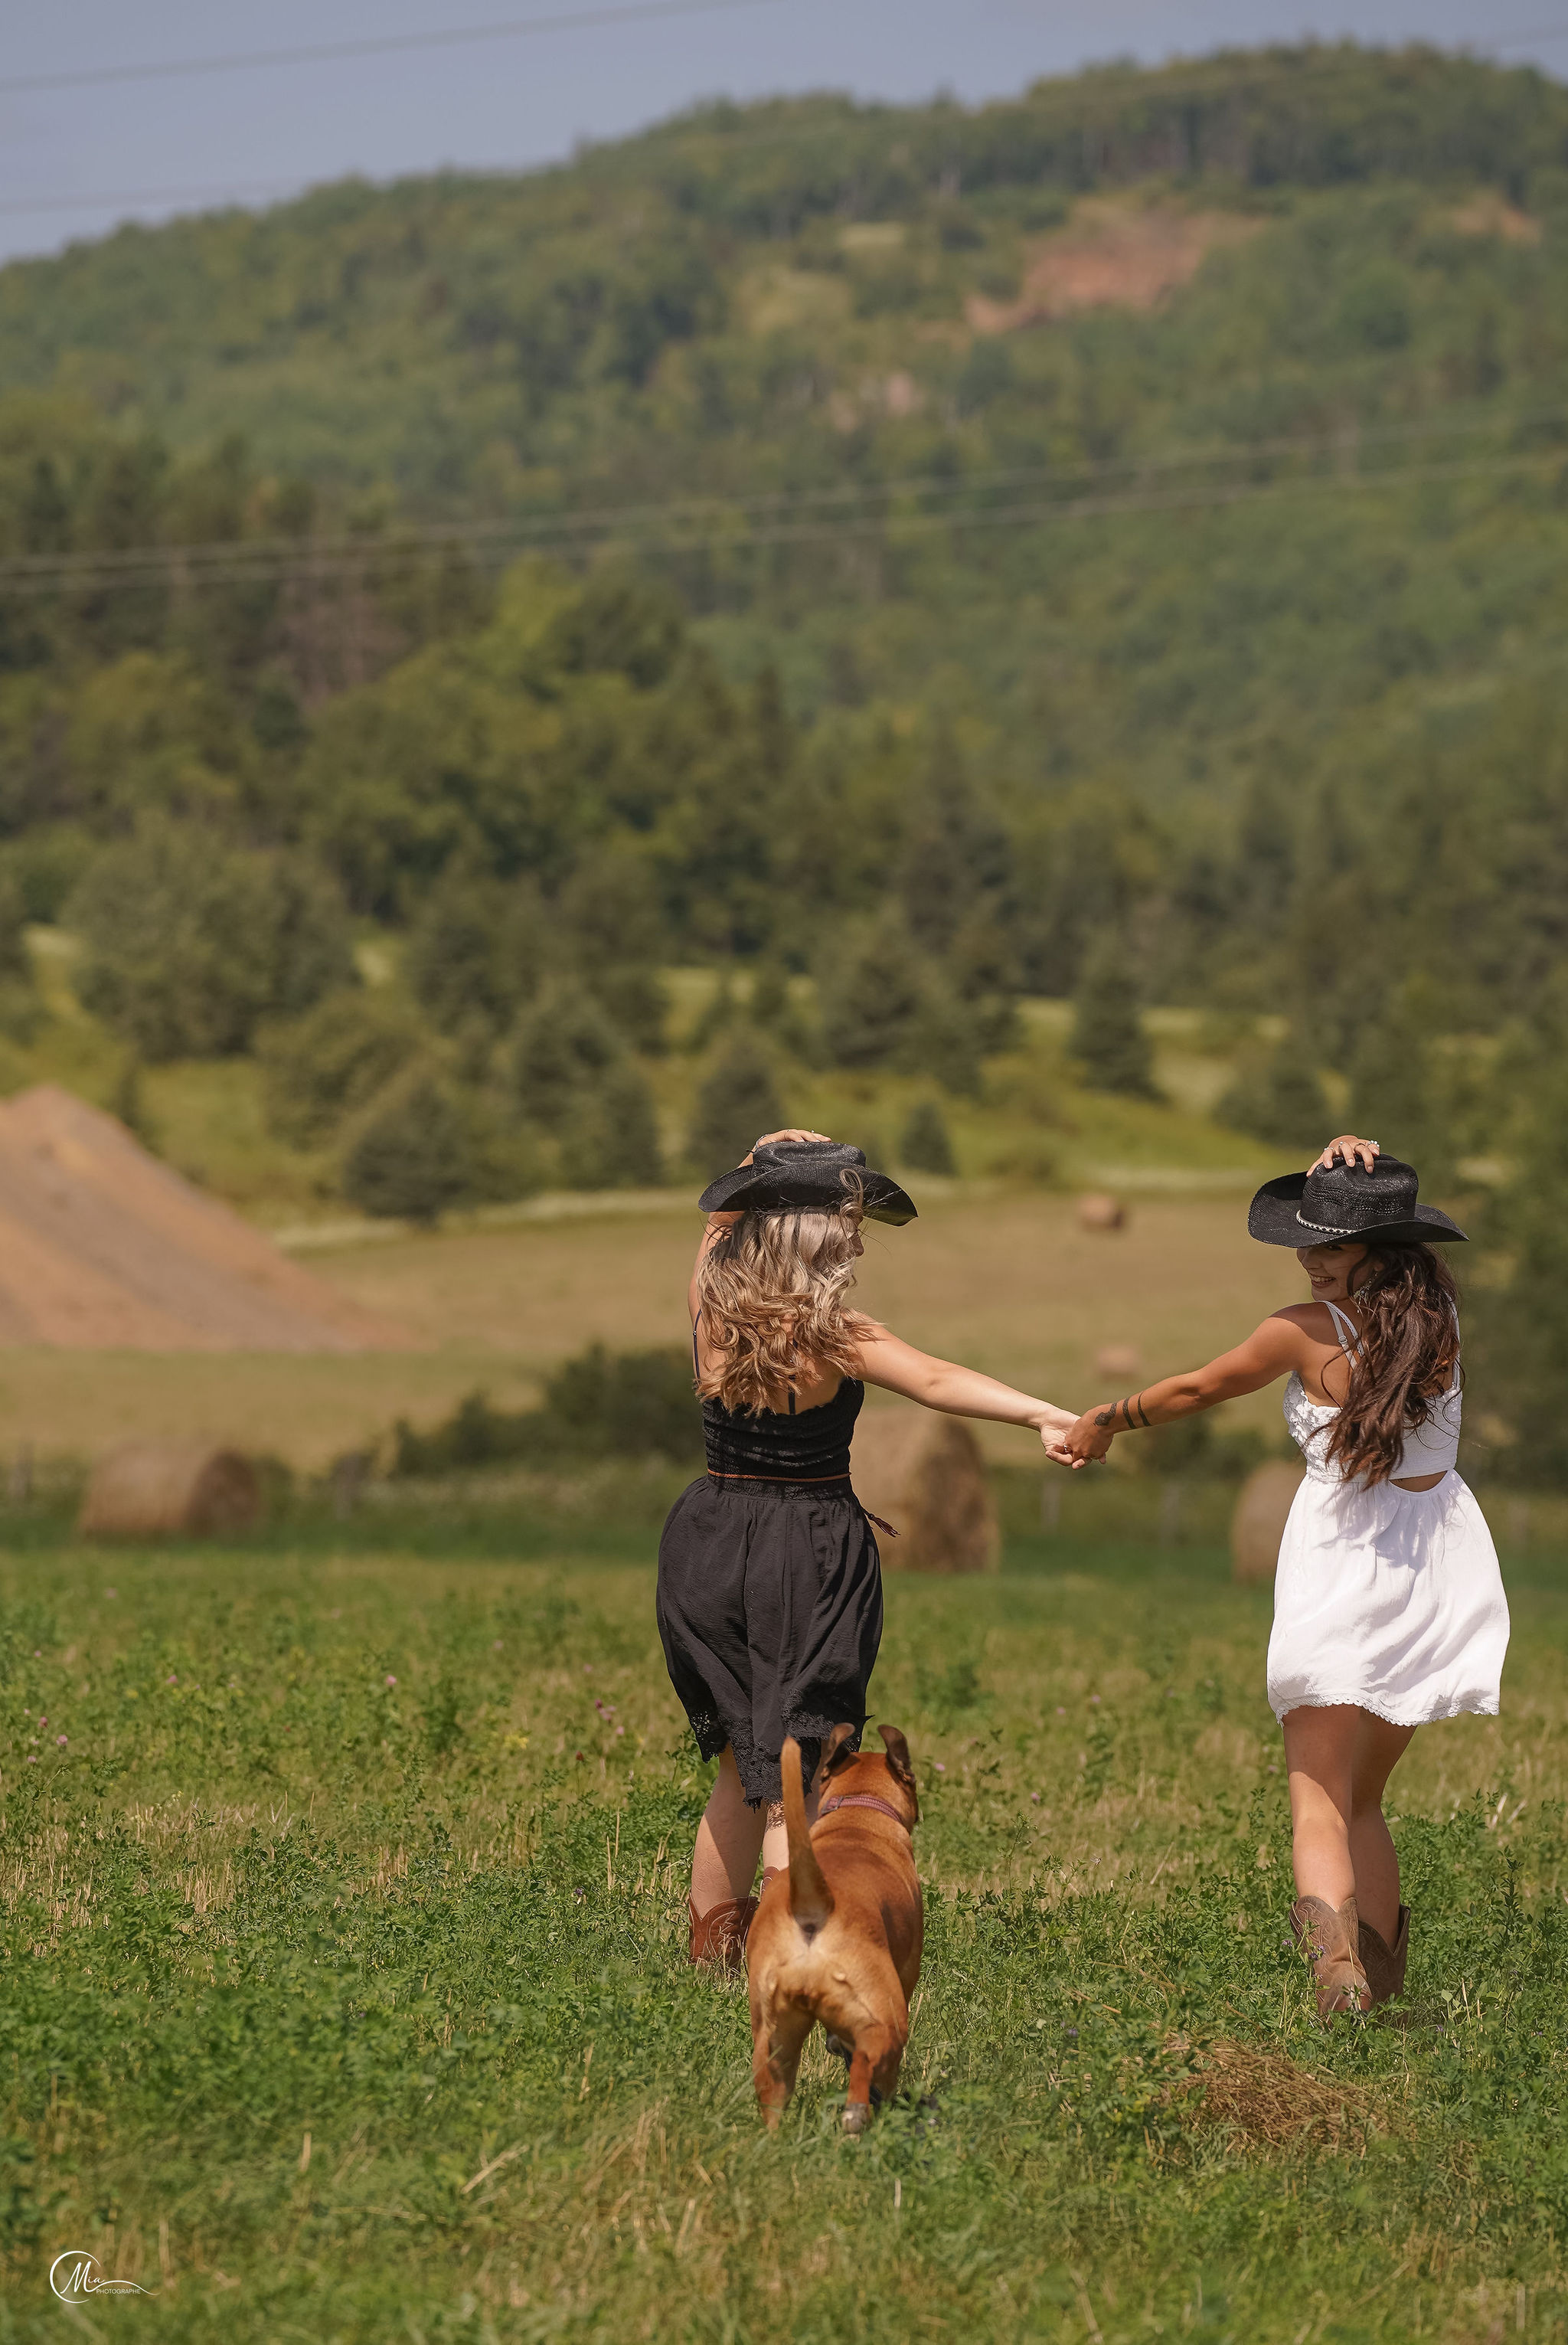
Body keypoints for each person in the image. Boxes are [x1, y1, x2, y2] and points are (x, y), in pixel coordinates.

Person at [1062, 1133, 1509, 2019]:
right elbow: (1384, 1242)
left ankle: (1335, 1979)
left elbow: (1194, 1389)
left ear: (1378, 1247)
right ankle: (1380, 1995)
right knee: (1363, 1798)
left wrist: (1104, 1417)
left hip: (1341, 1565)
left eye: (1331, 1242)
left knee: (1315, 1798)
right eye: (1307, 1239)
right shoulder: (1439, 1323)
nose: (1309, 1258)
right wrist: (1341, 1175)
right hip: (1432, 1572)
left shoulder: (1301, 1332)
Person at [659, 1129, 1078, 1968]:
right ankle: (790, 1958)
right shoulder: (832, 1334)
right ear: (816, 1241)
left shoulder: (712, 1306)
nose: (856, 1240)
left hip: (707, 1541)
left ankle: (715, 1954)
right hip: (804, 1551)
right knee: (800, 1769)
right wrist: (1044, 1413)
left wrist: (754, 1167)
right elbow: (936, 1380)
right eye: (847, 1226)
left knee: (740, 1764)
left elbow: (713, 1226)